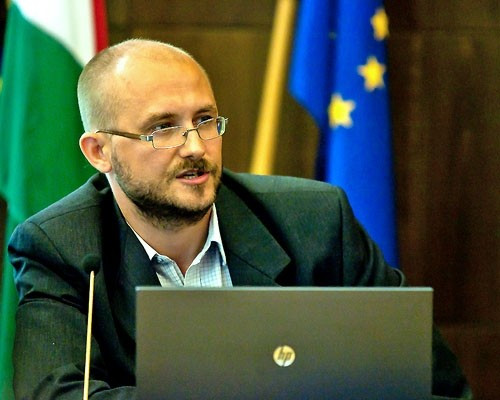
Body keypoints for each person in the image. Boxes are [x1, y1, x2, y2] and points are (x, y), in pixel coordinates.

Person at [9, 39, 471, 399]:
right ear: (99, 151)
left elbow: (435, 387)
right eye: (163, 128)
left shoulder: (316, 222)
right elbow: (58, 395)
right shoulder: (61, 246)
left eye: (205, 120)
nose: (195, 147)